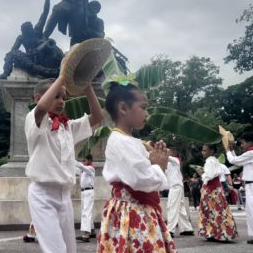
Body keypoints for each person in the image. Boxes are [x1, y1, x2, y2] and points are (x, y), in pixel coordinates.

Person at [25, 75, 103, 253]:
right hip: (42, 194)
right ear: (38, 98)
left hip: (65, 195)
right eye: (57, 97)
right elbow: (42, 108)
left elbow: (97, 117)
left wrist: (87, 86)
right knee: (55, 250)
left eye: (64, 98)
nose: (62, 102)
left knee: (69, 249)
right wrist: (62, 77)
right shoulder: (34, 120)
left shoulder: (67, 127)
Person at [97, 82, 176, 252]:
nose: (147, 113)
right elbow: (140, 179)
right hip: (132, 210)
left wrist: (159, 159)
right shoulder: (120, 141)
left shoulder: (131, 141)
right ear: (123, 108)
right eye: (143, 107)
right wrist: (158, 166)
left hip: (139, 208)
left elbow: (145, 170)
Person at [197, 144, 237, 242]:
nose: (203, 152)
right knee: (217, 210)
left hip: (211, 189)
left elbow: (210, 176)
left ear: (211, 151)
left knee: (212, 211)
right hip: (216, 189)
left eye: (205, 150)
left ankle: (217, 233)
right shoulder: (215, 160)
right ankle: (218, 233)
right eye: (203, 150)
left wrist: (201, 173)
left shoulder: (210, 161)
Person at [165, 149, 194, 238]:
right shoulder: (166, 164)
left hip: (176, 187)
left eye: (168, 151)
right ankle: (187, 229)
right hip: (176, 187)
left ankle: (170, 230)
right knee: (180, 208)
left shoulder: (175, 161)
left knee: (172, 207)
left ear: (172, 153)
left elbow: (166, 157)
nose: (166, 152)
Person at [75, 154, 96, 242]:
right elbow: (76, 170)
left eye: (85, 160)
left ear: (90, 160)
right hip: (83, 192)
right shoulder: (84, 170)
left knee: (86, 212)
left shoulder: (91, 168)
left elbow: (82, 167)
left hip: (88, 192)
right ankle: (92, 232)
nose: (84, 162)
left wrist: (73, 160)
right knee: (86, 211)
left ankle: (86, 235)